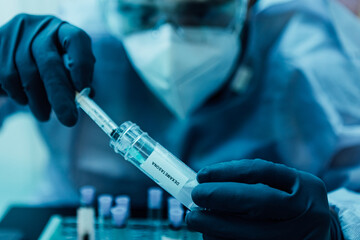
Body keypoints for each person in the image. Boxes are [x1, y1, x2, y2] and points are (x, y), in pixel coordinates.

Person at [0, 0, 359, 239]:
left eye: (199, 10)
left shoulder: (313, 60)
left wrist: (336, 223)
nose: (168, 39)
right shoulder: (70, 46)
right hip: (74, 221)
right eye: (142, 13)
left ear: (249, 5)